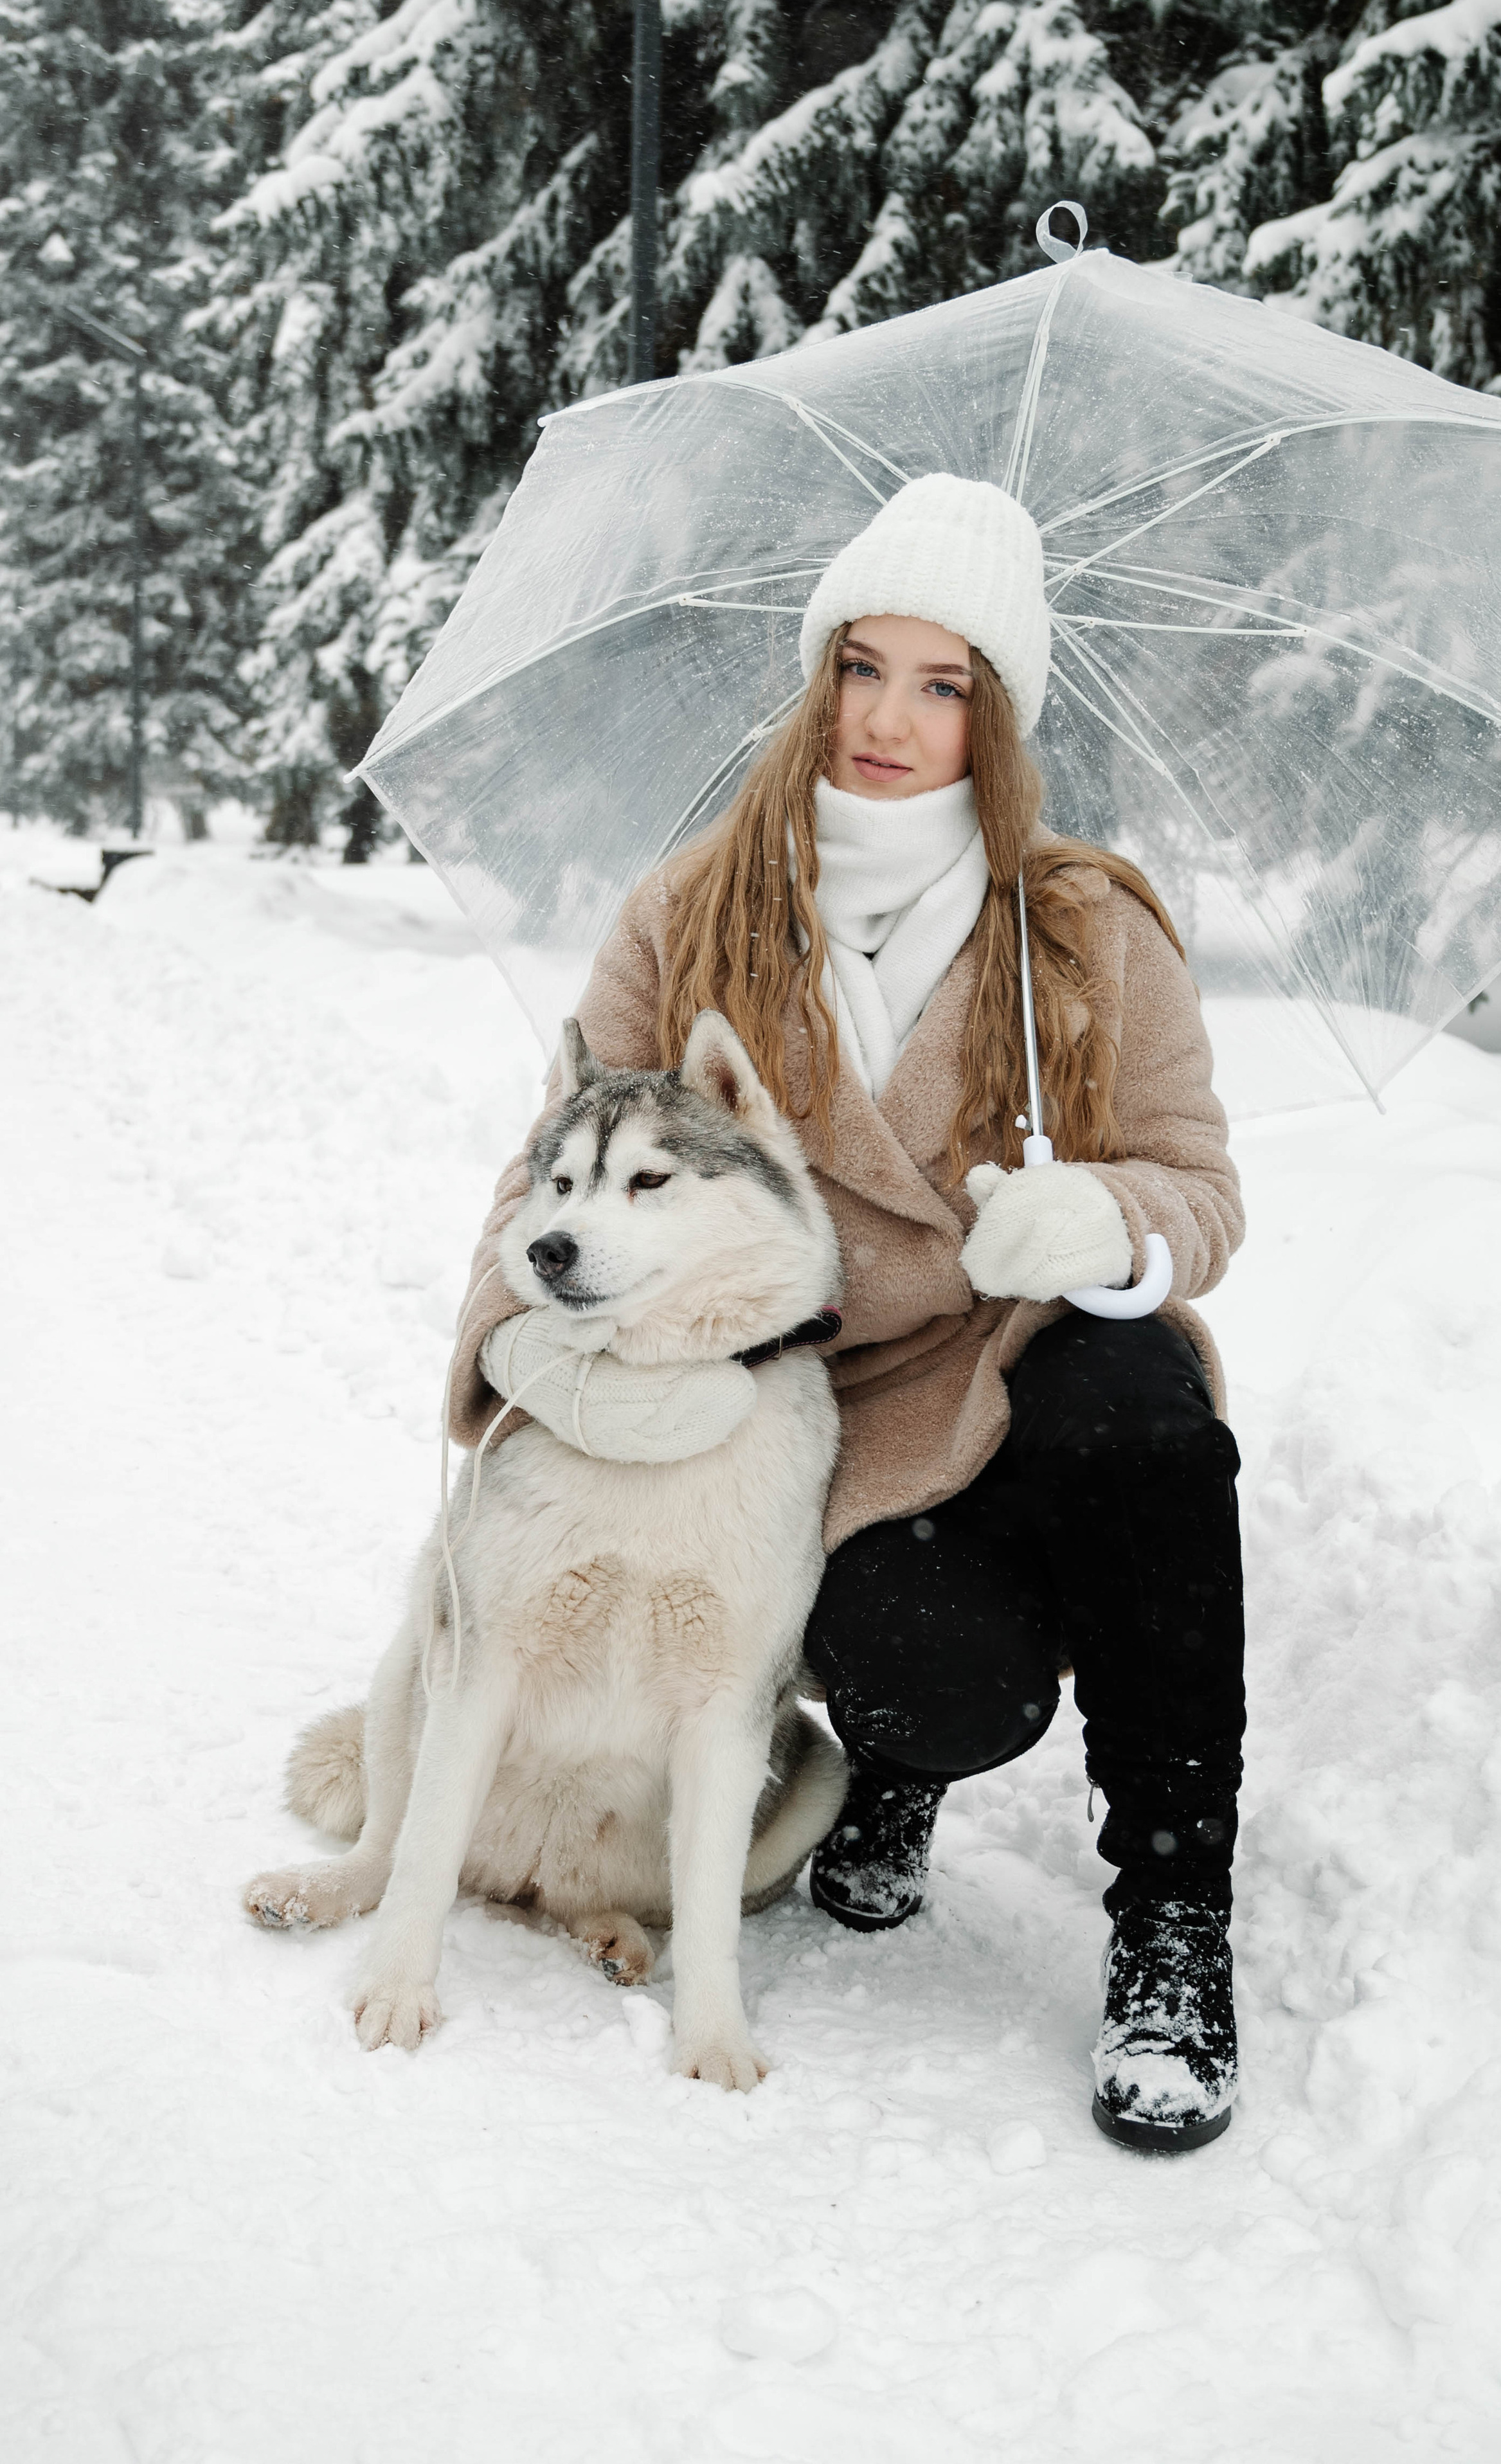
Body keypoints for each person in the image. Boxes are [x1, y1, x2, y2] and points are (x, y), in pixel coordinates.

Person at [449, 474, 1246, 2152]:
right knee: (936, 1675)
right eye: (860, 667)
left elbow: (1201, 1190)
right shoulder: (693, 909)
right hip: (813, 1424)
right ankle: (895, 1772)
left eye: (943, 683)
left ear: (999, 712)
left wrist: (1102, 1214)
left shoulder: (1085, 926)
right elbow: (553, 1168)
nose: (888, 719)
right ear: (816, 676)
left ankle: (1174, 1924)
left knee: (1152, 1415)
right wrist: (512, 1341)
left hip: (1020, 1370)